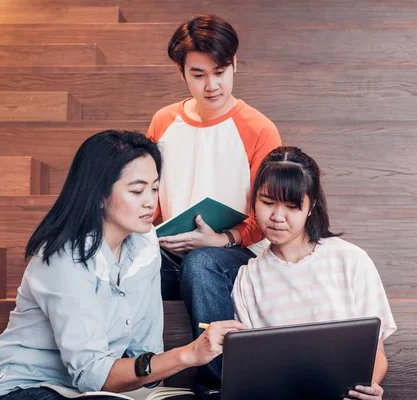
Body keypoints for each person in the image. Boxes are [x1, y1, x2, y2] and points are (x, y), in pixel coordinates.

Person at [0, 130, 245, 400]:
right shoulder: (62, 257)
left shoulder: (145, 243)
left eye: (154, 188)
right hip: (26, 387)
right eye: (137, 190)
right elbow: (92, 374)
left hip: (94, 392)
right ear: (99, 195)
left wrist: (157, 378)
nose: (150, 202)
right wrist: (188, 354)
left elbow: (145, 351)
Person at [146, 14, 281, 388]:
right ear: (182, 73)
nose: (211, 85)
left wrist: (222, 240)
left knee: (203, 263)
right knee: (127, 259)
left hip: (235, 257)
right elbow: (150, 202)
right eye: (199, 74)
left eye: (220, 71)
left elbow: (267, 216)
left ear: (235, 64)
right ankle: (131, 377)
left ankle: (219, 388)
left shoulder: (258, 128)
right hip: (173, 254)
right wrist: (151, 236)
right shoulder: (163, 122)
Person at [232, 147, 397, 400]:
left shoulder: (351, 260)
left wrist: (368, 388)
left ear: (311, 207)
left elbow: (376, 354)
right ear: (254, 200)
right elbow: (253, 371)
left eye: (292, 206)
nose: (277, 217)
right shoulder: (248, 280)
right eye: (267, 203)